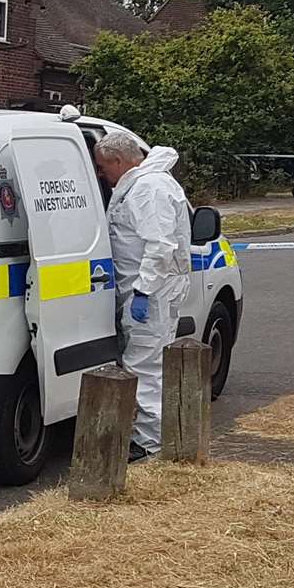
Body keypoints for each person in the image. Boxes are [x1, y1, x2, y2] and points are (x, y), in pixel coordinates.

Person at [93, 132, 193, 461]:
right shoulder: (143, 185)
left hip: (151, 294)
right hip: (146, 291)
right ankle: (150, 441)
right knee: (146, 365)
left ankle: (151, 448)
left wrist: (143, 290)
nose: (102, 175)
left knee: (145, 369)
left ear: (119, 161)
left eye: (103, 168)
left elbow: (160, 246)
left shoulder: (149, 189)